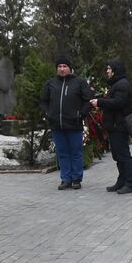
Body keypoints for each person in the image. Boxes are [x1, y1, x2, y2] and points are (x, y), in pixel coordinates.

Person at [40, 56, 95, 189]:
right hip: (57, 125)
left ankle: (76, 178)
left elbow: (89, 100)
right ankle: (65, 179)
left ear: (70, 68)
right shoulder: (51, 83)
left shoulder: (79, 82)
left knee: (76, 152)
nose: (62, 69)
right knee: (62, 152)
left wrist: (80, 114)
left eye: (65, 66)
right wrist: (48, 114)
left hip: (74, 124)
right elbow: (43, 101)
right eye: (59, 66)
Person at [90, 59, 132, 194]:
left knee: (123, 155)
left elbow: (118, 102)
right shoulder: (117, 84)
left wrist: (99, 102)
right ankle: (121, 181)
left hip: (119, 126)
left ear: (116, 70)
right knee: (117, 155)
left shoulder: (122, 84)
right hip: (114, 126)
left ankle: (130, 183)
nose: (107, 71)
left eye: (110, 68)